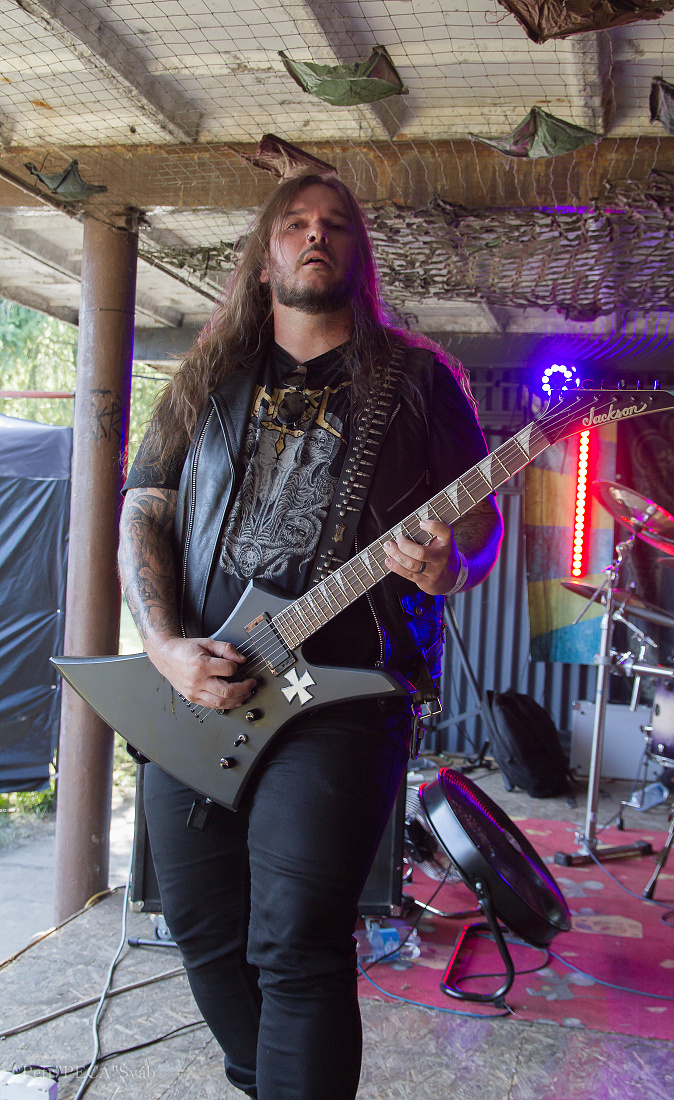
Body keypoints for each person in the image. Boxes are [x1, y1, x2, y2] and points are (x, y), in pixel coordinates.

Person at [118, 172, 503, 1100]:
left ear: (358, 258)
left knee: (295, 941)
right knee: (204, 932)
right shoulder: (206, 379)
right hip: (207, 686)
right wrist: (164, 647)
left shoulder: (417, 381)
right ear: (265, 258)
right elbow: (144, 511)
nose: (315, 235)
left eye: (335, 225)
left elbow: (481, 527)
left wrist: (451, 566)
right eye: (294, 224)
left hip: (344, 696)